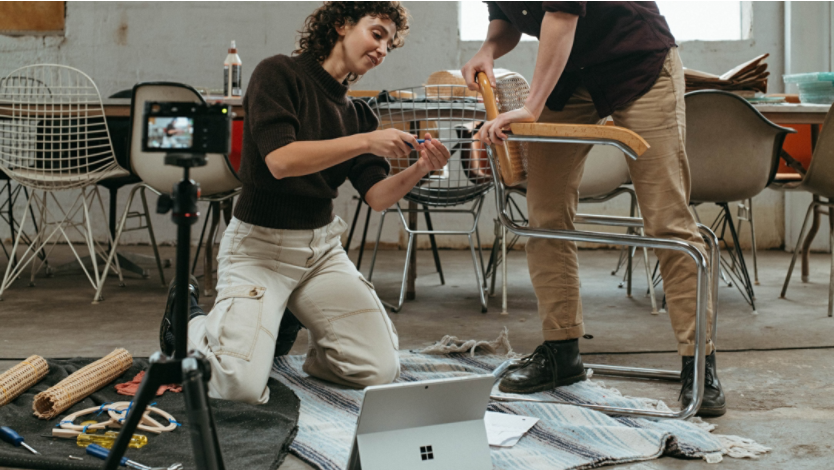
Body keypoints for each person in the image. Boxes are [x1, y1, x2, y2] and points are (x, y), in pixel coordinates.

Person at [159, 1, 452, 405]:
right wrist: (367, 141)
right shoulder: (278, 74)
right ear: (342, 24)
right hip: (258, 249)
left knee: (377, 370)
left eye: (390, 44)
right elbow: (281, 161)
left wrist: (420, 168)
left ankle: (280, 323)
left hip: (320, 253)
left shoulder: (358, 114)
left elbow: (378, 197)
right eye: (377, 34)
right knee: (237, 387)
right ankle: (189, 321)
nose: (383, 50)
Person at [461, 1, 724, 417]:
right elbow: (508, 18)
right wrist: (489, 48)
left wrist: (531, 107)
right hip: (569, 73)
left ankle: (699, 364)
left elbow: (562, 17)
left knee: (666, 221)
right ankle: (561, 353)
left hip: (639, 65)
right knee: (545, 216)